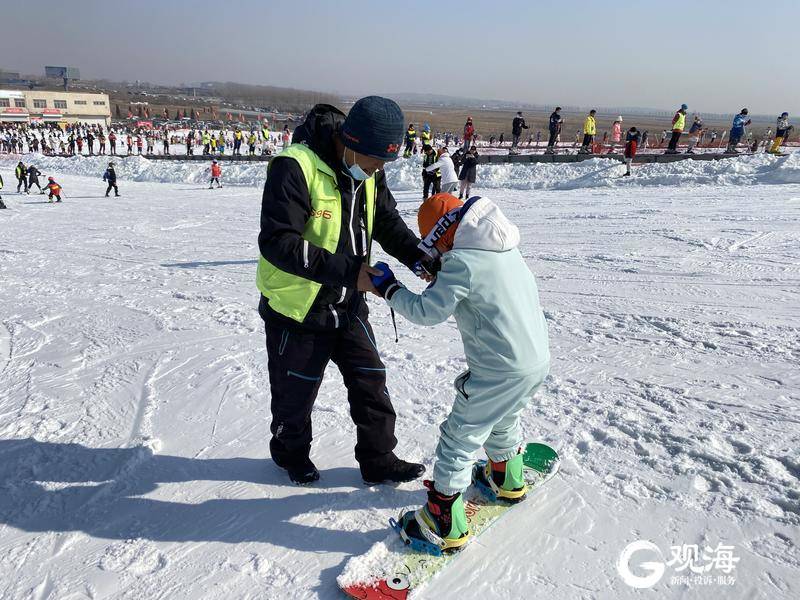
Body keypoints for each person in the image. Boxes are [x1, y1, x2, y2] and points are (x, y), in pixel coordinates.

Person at [256, 97, 431, 486]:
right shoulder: (295, 166)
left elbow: (385, 220)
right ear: (349, 140)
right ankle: (291, 454)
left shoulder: (368, 169)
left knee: (371, 382)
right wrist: (352, 272)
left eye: (384, 162)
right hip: (296, 309)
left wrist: (420, 259)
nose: (378, 170)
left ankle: (378, 459)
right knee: (294, 397)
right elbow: (278, 242)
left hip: (348, 305)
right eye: (374, 160)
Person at [371, 192, 550, 552]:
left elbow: (427, 312)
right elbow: (476, 288)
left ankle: (444, 519)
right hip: (534, 362)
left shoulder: (462, 263)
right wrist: (443, 272)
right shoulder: (503, 249)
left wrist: (389, 288)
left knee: (460, 436)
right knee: (502, 417)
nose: (435, 253)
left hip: (497, 371)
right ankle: (507, 476)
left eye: (434, 244)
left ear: (445, 233)